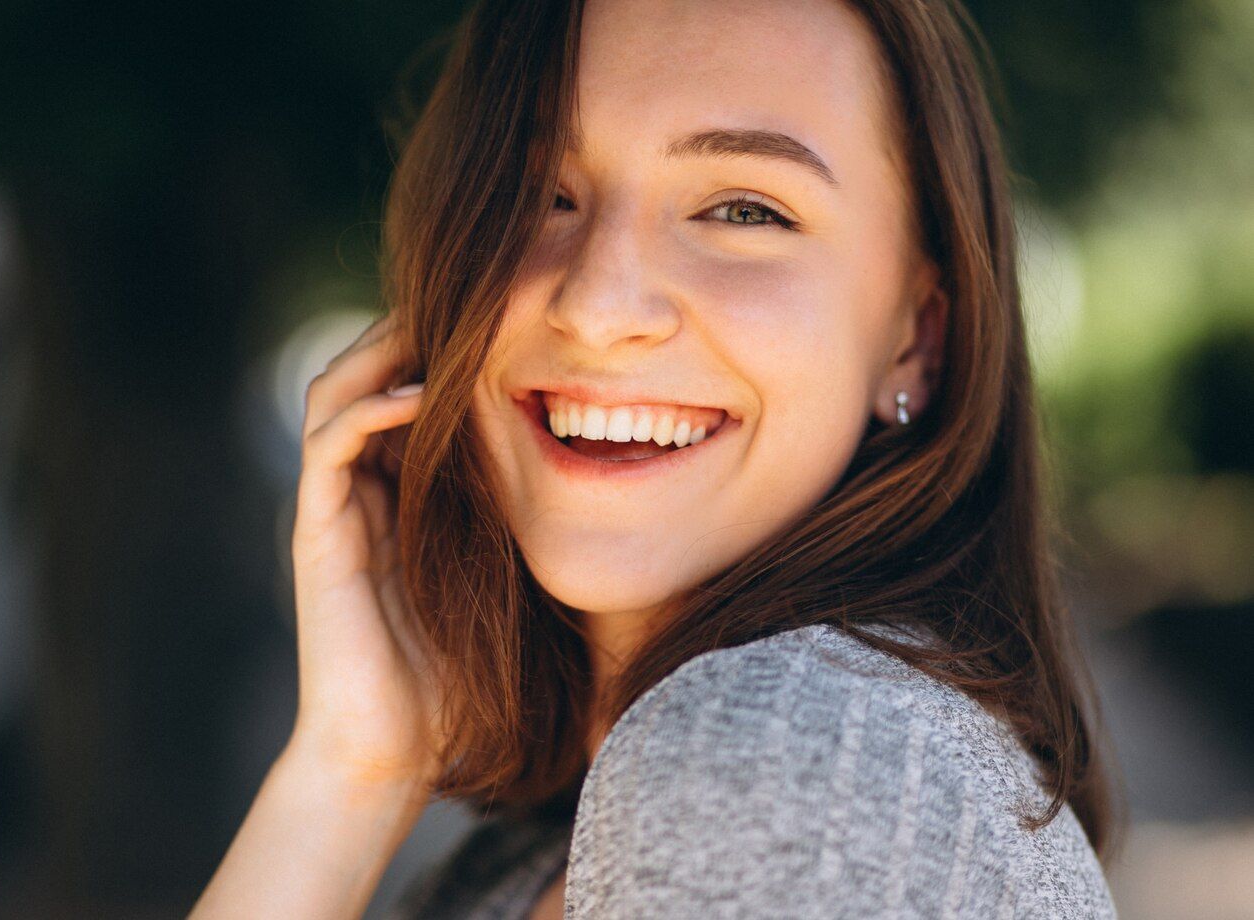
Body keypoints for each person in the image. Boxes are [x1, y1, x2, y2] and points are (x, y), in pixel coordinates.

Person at [190, 0, 1125, 916]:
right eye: (539, 196)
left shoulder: (770, 758)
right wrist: (348, 771)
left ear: (915, 339)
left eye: (745, 210)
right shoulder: (535, 847)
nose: (597, 304)